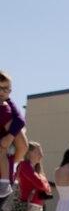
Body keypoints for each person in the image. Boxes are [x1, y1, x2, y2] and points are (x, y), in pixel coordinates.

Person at [0, 71, 28, 202]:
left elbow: (22, 144)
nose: (2, 92)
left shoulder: (5, 108)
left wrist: (9, 137)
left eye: (5, 89)